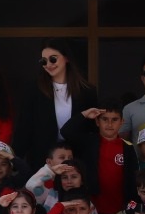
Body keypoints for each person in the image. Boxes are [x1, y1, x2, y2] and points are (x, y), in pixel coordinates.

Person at [21, 40, 99, 170]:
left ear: (66, 58)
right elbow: (24, 128)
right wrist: (15, 162)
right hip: (43, 160)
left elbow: (91, 130)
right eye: (43, 61)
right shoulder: (34, 90)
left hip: (77, 159)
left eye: (53, 59)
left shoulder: (87, 91)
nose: (48, 64)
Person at [63, 106, 137, 214]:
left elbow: (133, 180)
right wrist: (84, 114)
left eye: (114, 119)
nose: (109, 124)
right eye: (105, 119)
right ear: (97, 121)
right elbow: (66, 132)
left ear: (122, 122)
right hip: (91, 210)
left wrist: (130, 209)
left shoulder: (128, 147)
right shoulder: (88, 142)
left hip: (120, 211)